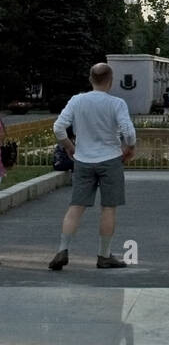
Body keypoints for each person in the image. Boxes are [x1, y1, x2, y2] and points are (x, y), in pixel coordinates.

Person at [48, 62, 136, 271]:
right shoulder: (117, 103)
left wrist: (69, 145)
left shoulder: (77, 100)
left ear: (90, 80)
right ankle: (104, 256)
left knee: (76, 206)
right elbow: (128, 132)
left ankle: (62, 250)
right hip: (110, 160)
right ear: (111, 81)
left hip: (83, 160)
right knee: (108, 208)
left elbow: (59, 127)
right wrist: (129, 147)